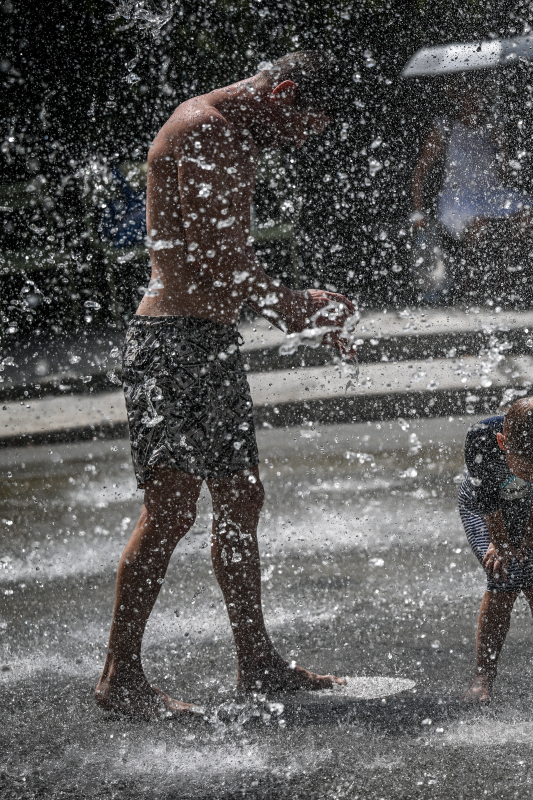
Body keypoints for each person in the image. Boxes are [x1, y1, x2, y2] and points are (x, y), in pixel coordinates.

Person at [94, 52, 355, 719]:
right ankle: (120, 677)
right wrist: (298, 307)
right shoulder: (204, 128)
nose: (300, 141)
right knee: (174, 506)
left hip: (206, 342)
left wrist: (295, 306)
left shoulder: (234, 132)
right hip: (169, 344)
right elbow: (213, 261)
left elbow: (226, 263)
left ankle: (257, 662)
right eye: (305, 126)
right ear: (286, 92)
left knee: (240, 496)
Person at [457, 396, 533, 702]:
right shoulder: (481, 438)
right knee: (503, 575)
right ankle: (484, 674)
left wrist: (532, 532)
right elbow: (488, 503)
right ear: (503, 442)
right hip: (484, 505)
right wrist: (502, 542)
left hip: (530, 505)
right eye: (525, 467)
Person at [409, 85, 533, 299]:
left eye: (477, 94)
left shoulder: (491, 127)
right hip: (458, 196)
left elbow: (504, 174)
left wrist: (502, 147)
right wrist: (418, 210)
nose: (473, 100)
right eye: (467, 95)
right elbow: (420, 171)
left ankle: (506, 266)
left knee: (526, 211)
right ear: (459, 99)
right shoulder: (445, 127)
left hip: (490, 192)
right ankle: (470, 278)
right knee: (478, 222)